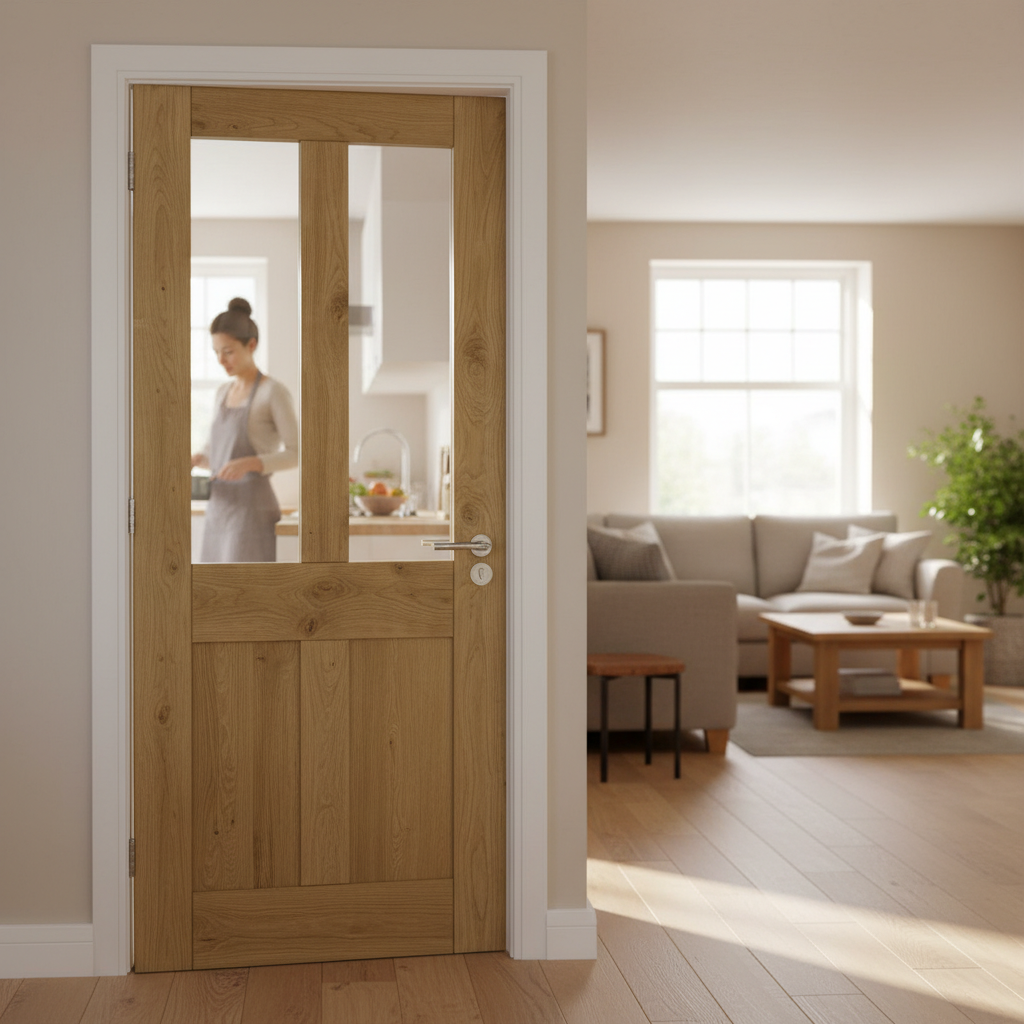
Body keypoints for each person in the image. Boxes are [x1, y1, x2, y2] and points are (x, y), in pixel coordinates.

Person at [191, 298, 298, 562]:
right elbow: (217, 454)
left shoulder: (273, 392)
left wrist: (251, 463)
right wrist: (198, 459)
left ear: (251, 345)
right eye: (216, 352)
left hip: (253, 515)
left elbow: (297, 453)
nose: (220, 360)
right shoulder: (222, 393)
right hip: (218, 512)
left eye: (228, 351)